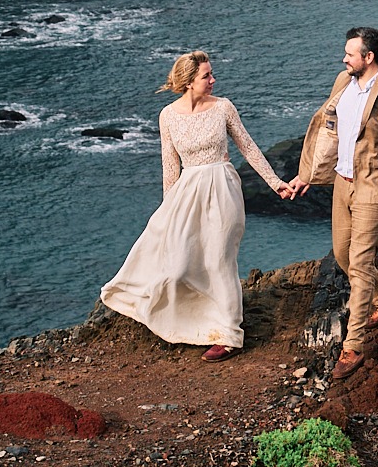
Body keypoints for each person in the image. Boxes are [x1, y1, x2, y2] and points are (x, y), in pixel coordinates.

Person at [100, 50, 297, 362]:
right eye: (207, 75)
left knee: (220, 260)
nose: (213, 79)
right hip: (187, 191)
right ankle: (196, 324)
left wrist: (275, 183)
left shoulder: (223, 108)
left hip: (223, 187)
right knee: (178, 264)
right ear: (189, 81)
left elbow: (248, 147)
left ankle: (230, 335)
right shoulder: (167, 115)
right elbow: (170, 165)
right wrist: (168, 208)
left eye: (211, 73)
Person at [290, 27, 378, 380]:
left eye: (350, 54)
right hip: (342, 182)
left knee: (361, 262)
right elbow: (327, 130)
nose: (344, 59)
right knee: (342, 255)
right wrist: (307, 174)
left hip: (376, 187)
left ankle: (353, 347)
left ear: (369, 57)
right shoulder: (343, 81)